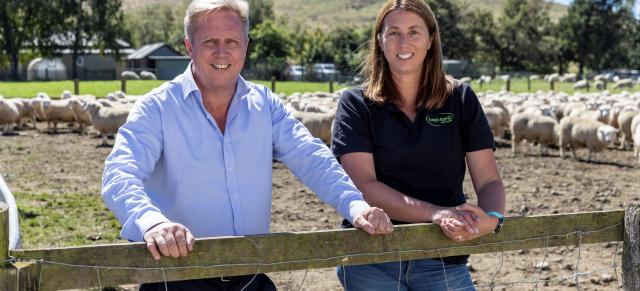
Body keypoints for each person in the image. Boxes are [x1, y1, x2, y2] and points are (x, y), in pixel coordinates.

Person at [101, 0, 393, 290]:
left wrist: (355, 205)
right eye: (210, 41)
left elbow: (311, 157)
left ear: (246, 45)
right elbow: (120, 173)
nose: (222, 52)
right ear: (189, 47)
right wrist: (152, 222)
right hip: (175, 276)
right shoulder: (157, 108)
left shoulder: (265, 105)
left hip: (250, 277)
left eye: (232, 41)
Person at [331, 0, 506, 290]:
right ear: (380, 40)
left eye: (414, 32)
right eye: (394, 32)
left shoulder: (460, 99)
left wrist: (492, 218)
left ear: (430, 39)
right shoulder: (356, 105)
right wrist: (436, 214)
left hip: (442, 255)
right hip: (371, 257)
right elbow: (363, 185)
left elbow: (488, 180)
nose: (404, 41)